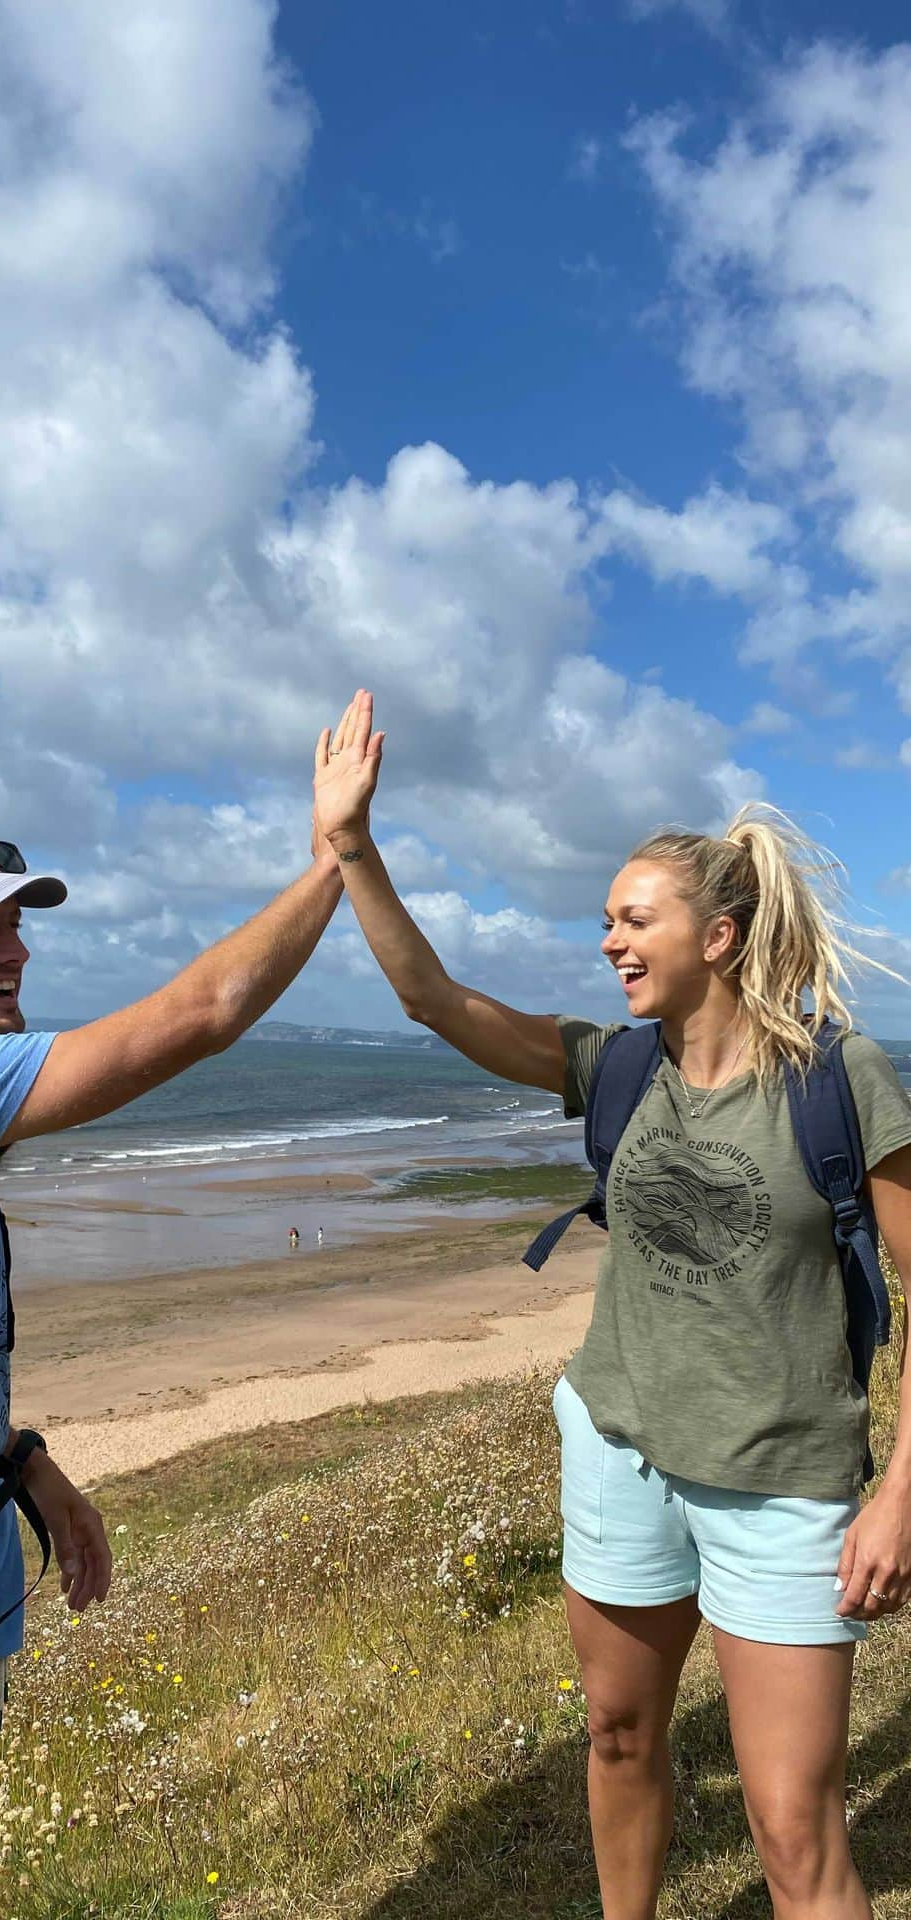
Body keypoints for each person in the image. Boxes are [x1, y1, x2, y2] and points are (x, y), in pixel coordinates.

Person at [312, 691, 911, 1920]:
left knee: (794, 1830)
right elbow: (435, 999)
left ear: (724, 937)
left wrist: (901, 1491)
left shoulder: (838, 1080)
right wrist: (353, 848)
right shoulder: (616, 1064)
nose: (608, 943)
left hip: (780, 1481)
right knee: (622, 1741)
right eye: (605, 922)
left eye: (635, 920)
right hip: (619, 1448)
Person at [0, 821, 345, 1918]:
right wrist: (340, 860)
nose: (12, 949)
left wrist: (22, 1459)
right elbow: (200, 1016)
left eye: (17, 924)